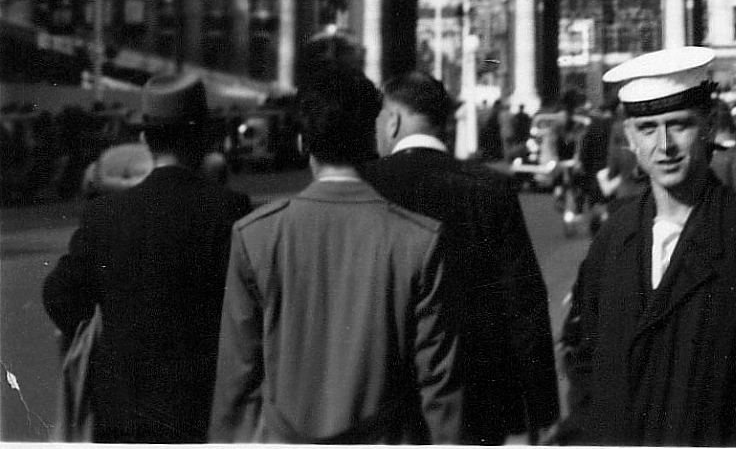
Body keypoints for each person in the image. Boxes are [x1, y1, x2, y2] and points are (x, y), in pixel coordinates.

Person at [559, 46, 736, 446]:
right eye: (648, 128)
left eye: (679, 125)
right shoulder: (614, 237)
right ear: (631, 140)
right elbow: (584, 354)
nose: (664, 144)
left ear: (707, 127)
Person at [208, 61, 462, 443]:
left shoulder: (256, 237)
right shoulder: (418, 241)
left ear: (301, 143)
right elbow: (439, 391)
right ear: (371, 141)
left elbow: (237, 384)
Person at [43, 72, 250, 443]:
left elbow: (59, 295)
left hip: (121, 412)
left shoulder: (104, 214)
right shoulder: (229, 210)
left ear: (144, 139)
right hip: (202, 409)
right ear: (203, 135)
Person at [364, 71, 559, 444]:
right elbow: (524, 302)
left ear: (392, 121)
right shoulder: (490, 187)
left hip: (382, 399)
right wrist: (539, 411)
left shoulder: (368, 184)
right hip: (478, 400)